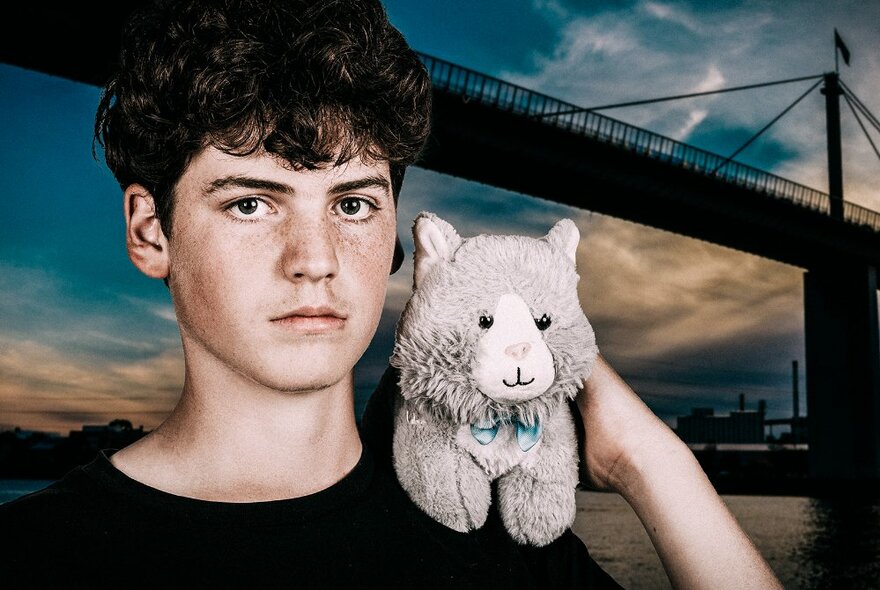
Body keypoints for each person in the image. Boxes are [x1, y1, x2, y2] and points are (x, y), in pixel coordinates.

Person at [0, 0, 782, 587]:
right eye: (251, 203)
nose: (315, 261)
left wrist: (648, 461)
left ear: (401, 239)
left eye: (352, 204)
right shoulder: (36, 554)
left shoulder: (489, 535)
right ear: (150, 232)